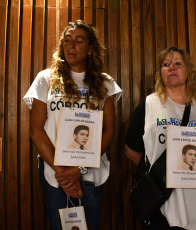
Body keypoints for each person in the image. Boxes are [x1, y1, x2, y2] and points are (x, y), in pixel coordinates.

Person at [23, 20, 122, 230]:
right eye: (67, 41)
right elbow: (36, 130)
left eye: (78, 41)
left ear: (90, 49)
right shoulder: (46, 79)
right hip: (54, 172)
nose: (71, 46)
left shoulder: (105, 83)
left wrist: (80, 169)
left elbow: (109, 130)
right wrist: (65, 175)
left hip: (91, 174)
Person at [125, 47, 196, 229]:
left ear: (188, 71)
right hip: (163, 199)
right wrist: (159, 173)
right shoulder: (149, 105)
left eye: (178, 63)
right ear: (160, 73)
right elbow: (130, 150)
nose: (171, 68)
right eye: (166, 64)